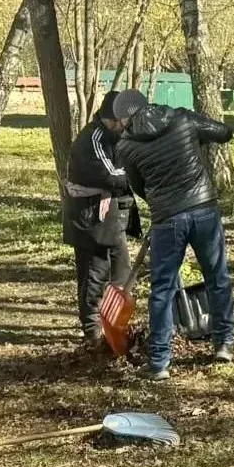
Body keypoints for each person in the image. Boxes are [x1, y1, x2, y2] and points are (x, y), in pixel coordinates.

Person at [113, 92, 234, 380]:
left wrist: (162, 201)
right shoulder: (182, 118)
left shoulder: (127, 146)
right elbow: (224, 133)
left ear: (126, 116)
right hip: (204, 209)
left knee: (162, 290)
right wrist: (195, 138)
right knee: (216, 276)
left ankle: (159, 363)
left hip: (167, 219)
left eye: (120, 119)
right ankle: (224, 343)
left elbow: (139, 187)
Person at [65, 90, 145, 345]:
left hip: (111, 216)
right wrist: (137, 174)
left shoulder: (118, 137)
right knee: (94, 273)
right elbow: (111, 175)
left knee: (121, 268)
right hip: (90, 217)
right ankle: (92, 329)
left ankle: (114, 321)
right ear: (111, 119)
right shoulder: (94, 138)